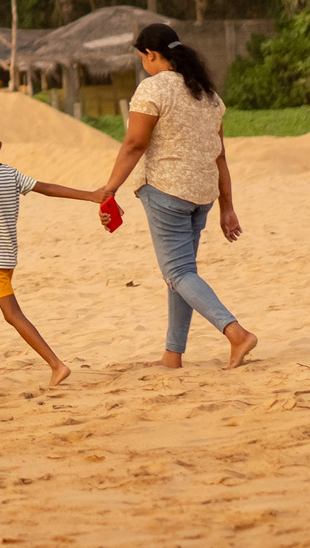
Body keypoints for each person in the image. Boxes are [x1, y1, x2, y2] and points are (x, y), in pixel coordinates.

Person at [99, 22, 258, 369]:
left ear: (150, 54)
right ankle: (173, 355)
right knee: (183, 274)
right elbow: (220, 156)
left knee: (178, 273)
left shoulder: (151, 89)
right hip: (202, 194)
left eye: (142, 56)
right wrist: (226, 207)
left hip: (166, 191)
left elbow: (135, 144)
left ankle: (236, 334)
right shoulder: (209, 95)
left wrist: (109, 188)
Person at [0, 113, 101, 392]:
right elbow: (47, 188)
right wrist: (89, 195)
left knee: (12, 315)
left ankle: (56, 364)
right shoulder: (10, 174)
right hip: (7, 257)